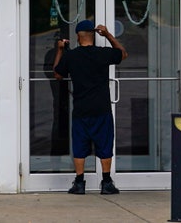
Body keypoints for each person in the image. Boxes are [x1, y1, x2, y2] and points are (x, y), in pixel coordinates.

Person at [52, 19, 128, 195]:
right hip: (102, 108)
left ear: (78, 38)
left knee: (80, 145)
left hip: (81, 109)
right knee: (105, 143)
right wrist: (108, 34)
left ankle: (79, 183)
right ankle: (107, 182)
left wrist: (60, 50)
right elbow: (123, 54)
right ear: (93, 36)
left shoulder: (72, 56)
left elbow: (57, 73)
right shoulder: (102, 54)